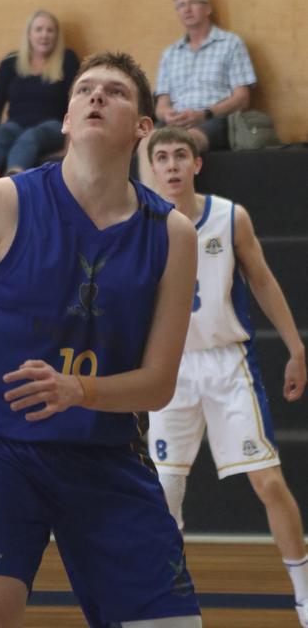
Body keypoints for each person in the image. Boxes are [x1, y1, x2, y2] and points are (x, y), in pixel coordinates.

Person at [0, 51, 202, 628]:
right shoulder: (5, 199)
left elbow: (157, 385)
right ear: (68, 119)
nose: (97, 97)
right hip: (4, 451)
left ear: (143, 128)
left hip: (106, 455)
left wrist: (78, 390)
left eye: (116, 92)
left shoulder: (172, 233)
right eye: (85, 90)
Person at [146, 126, 308, 628]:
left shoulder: (229, 216)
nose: (172, 165)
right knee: (163, 495)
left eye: (180, 156)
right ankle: (169, 596)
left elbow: (262, 278)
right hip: (169, 370)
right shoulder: (140, 220)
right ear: (152, 167)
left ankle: (304, 589)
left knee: (267, 481)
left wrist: (297, 348)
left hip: (226, 362)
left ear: (196, 164)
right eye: (162, 157)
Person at [154, 0, 256, 153]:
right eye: (181, 5)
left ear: (208, 8)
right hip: (176, 122)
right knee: (145, 143)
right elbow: (161, 105)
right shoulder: (170, 53)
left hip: (215, 119)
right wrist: (167, 115)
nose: (186, 9)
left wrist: (204, 114)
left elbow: (242, 99)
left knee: (181, 143)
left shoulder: (231, 44)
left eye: (192, 2)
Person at [0, 8, 79, 174]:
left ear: (57, 36)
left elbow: (76, 104)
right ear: (29, 34)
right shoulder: (10, 62)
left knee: (29, 138)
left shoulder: (67, 60)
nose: (44, 35)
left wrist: (68, 147)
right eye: (39, 29)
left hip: (53, 127)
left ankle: (12, 185)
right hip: (15, 124)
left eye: (50, 30)